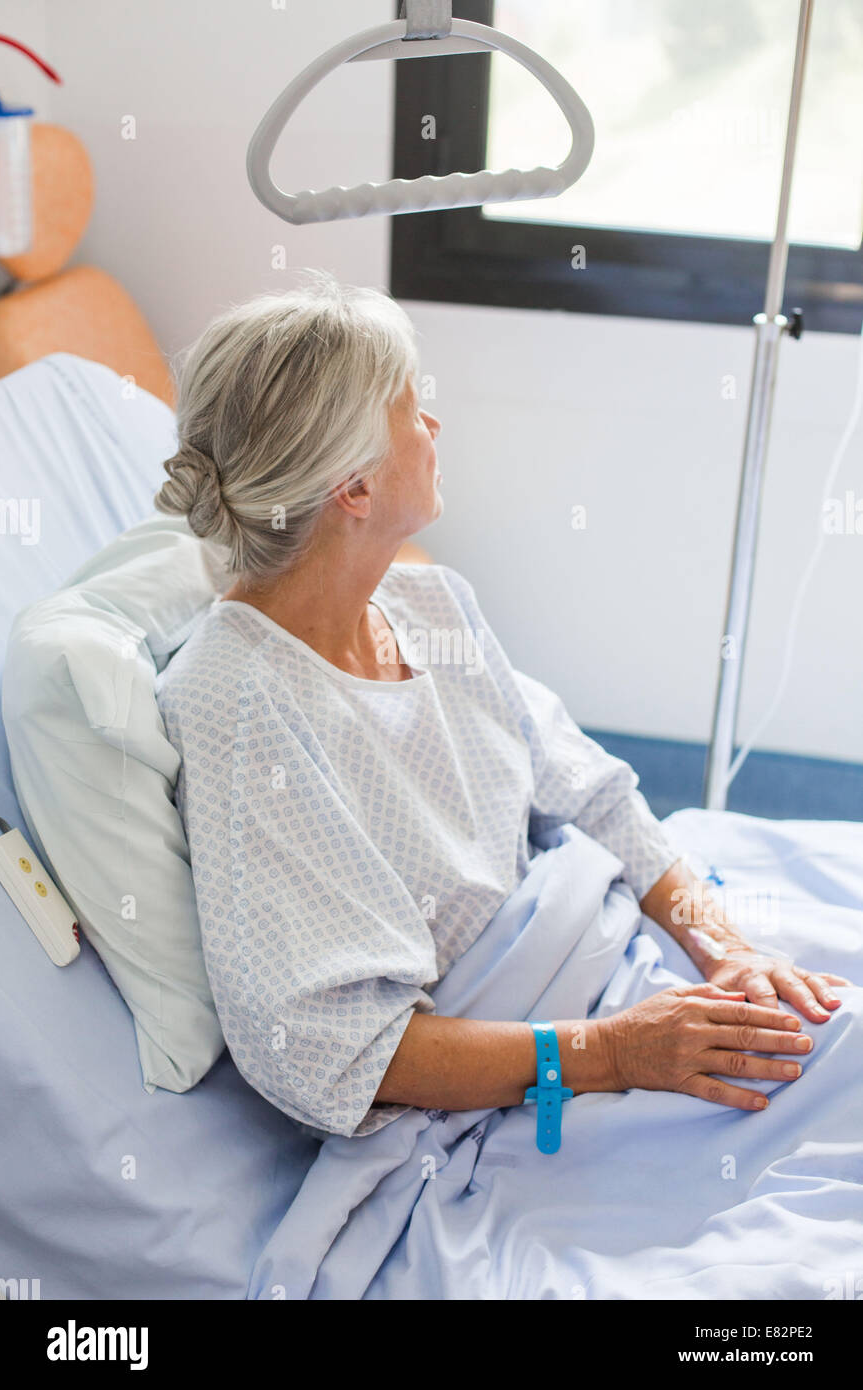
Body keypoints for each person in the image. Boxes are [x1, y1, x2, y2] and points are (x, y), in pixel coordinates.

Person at [155, 272, 847, 1139]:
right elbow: (334, 1053)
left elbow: (590, 791)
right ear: (354, 489)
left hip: (612, 944)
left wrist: (723, 945)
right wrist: (619, 1052)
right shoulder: (242, 707)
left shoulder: (430, 604)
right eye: (413, 412)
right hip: (534, 1053)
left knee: (826, 1003)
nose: (435, 428)